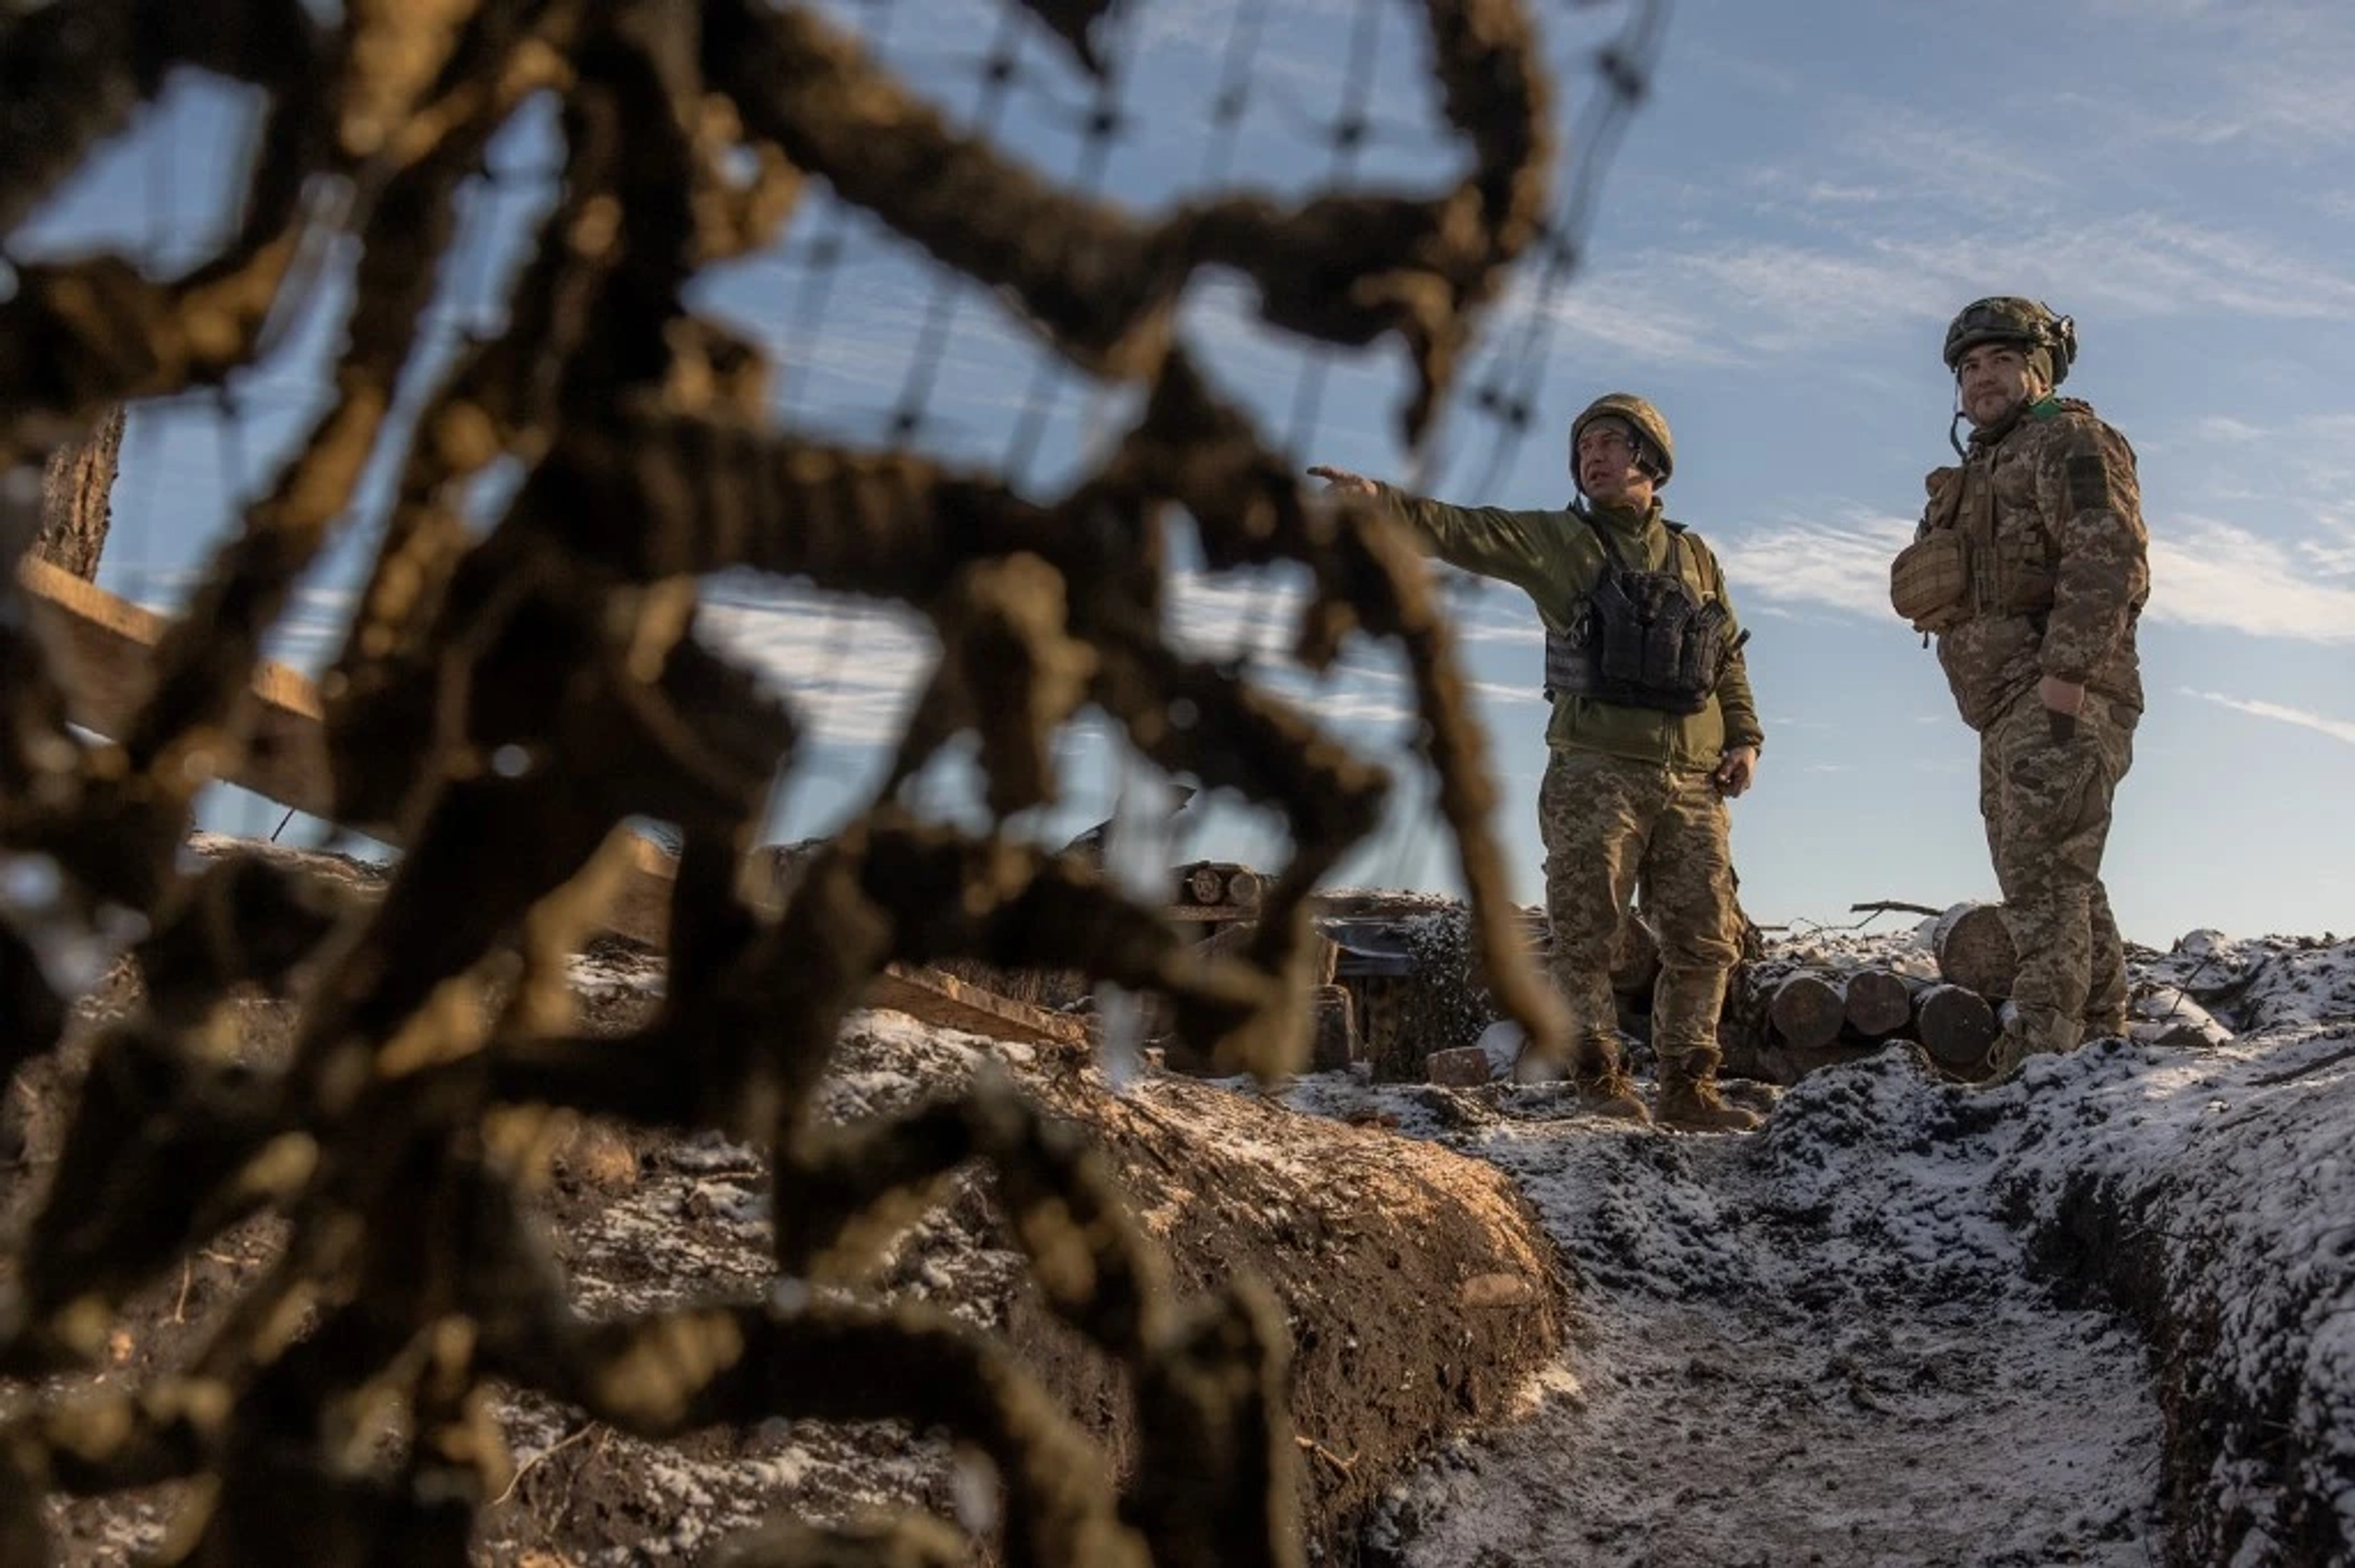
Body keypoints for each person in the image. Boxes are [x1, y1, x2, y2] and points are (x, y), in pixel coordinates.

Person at [1311, 395, 1764, 1132]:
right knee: (1587, 934)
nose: (1594, 454)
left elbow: (1730, 657)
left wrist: (1745, 738)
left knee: (1705, 937)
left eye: (1613, 442)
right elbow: (1466, 532)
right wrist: (1380, 502)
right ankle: (1600, 1080)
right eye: (1585, 444)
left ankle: (1689, 1089)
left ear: (1651, 459)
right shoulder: (1561, 540)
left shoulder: (1696, 556)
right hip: (1595, 772)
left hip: (1693, 782)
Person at [1890, 297, 2149, 1076]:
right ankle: (2100, 1046)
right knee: (2059, 870)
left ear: (2038, 367)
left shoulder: (2068, 440)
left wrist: (2066, 675)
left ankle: (2039, 1050)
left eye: (2000, 359)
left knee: (2040, 876)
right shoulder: (1978, 471)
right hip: (2004, 704)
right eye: (1969, 367)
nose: (1981, 378)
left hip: (2059, 691)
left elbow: (2108, 556)